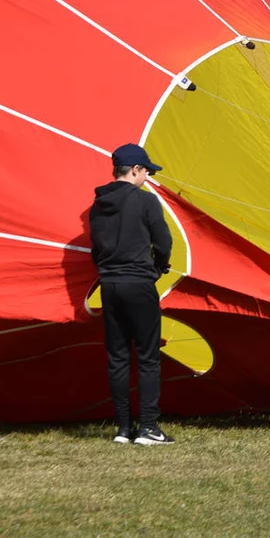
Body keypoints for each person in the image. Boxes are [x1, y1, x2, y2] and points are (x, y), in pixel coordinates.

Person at [89, 143, 174, 445]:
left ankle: (124, 429)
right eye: (147, 172)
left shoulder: (98, 204)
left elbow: (95, 250)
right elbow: (163, 241)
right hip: (138, 283)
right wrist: (159, 266)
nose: (147, 178)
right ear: (135, 170)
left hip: (109, 287)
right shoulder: (146, 202)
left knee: (118, 358)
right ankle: (149, 428)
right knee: (149, 357)